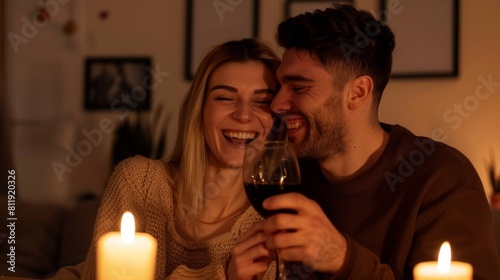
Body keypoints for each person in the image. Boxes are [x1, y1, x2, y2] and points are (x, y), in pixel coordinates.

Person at [229, 4, 500, 280]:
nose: (277, 104)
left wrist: (342, 258)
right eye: (279, 88)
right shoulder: (291, 174)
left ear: (357, 93)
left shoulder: (440, 177)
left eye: (299, 87)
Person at [53, 38, 280, 279]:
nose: (244, 115)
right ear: (199, 109)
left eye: (263, 101)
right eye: (225, 98)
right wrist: (222, 275)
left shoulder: (275, 218)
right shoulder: (138, 182)